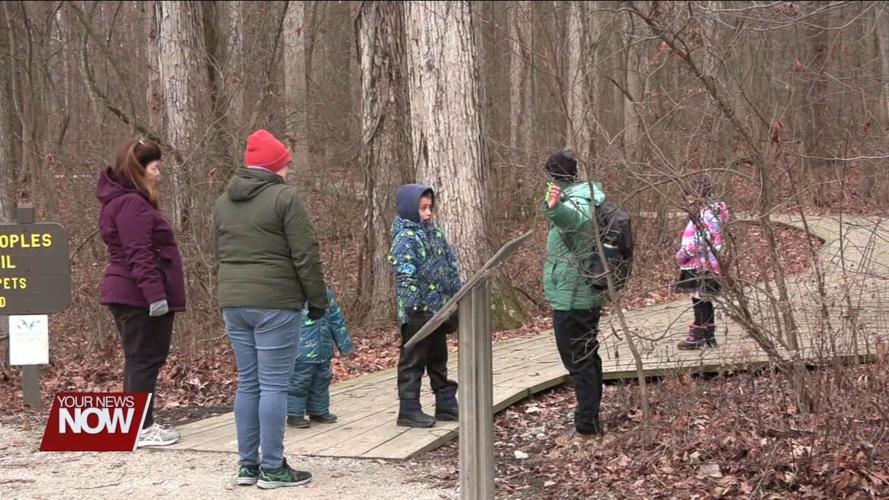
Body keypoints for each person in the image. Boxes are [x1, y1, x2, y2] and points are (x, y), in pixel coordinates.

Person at [214, 129, 328, 489]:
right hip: (275, 304)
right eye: (287, 164)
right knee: (275, 384)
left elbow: (220, 252)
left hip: (234, 302)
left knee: (249, 383)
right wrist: (317, 300)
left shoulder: (222, 202)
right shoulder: (284, 198)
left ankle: (248, 466)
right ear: (276, 166)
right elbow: (305, 254)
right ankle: (273, 467)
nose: (289, 171)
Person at [97, 139, 185, 448]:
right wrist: (155, 296)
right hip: (137, 296)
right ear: (139, 171)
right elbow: (139, 253)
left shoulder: (126, 202)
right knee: (144, 360)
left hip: (132, 293)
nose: (159, 174)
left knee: (140, 359)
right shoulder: (132, 204)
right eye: (155, 168)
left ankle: (134, 425)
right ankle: (141, 428)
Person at [540, 148, 607, 436]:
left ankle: (587, 424)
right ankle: (588, 417)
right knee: (586, 358)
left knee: (578, 360)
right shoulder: (582, 195)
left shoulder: (581, 201)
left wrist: (555, 207)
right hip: (576, 293)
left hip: (575, 297)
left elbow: (574, 220)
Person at [389, 184, 460, 428]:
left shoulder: (434, 233)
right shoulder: (405, 238)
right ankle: (408, 408)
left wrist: (454, 295)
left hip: (439, 307)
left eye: (430, 208)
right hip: (417, 311)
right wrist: (414, 306)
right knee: (414, 358)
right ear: (410, 208)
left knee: (438, 357)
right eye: (422, 208)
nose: (428, 213)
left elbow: (450, 264)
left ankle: (446, 403)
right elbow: (405, 276)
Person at [674, 174, 730, 350]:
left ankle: (698, 336)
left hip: (700, 264)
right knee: (704, 299)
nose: (688, 200)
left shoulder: (707, 214)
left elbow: (703, 239)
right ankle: (708, 336)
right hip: (706, 263)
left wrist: (684, 253)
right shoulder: (710, 212)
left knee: (699, 300)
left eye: (690, 196)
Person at [286, 287, 354, 428]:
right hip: (300, 350)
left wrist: (345, 345)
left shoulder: (323, 291)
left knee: (321, 380)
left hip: (323, 347)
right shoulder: (289, 291)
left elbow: (336, 319)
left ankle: (318, 411)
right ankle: (294, 414)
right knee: (299, 382)